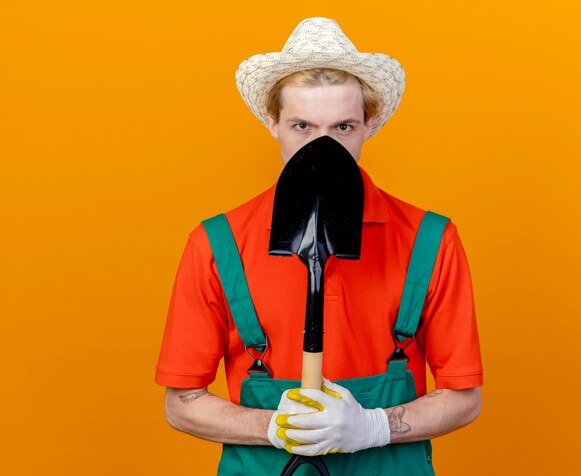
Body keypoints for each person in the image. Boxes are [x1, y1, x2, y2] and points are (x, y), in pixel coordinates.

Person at [155, 17, 483, 475]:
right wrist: (271, 426)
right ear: (273, 123)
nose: (322, 147)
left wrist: (373, 427)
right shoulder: (217, 244)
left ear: (369, 124)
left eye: (343, 127)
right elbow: (181, 403)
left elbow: (465, 398)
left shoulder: (429, 240)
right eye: (303, 126)